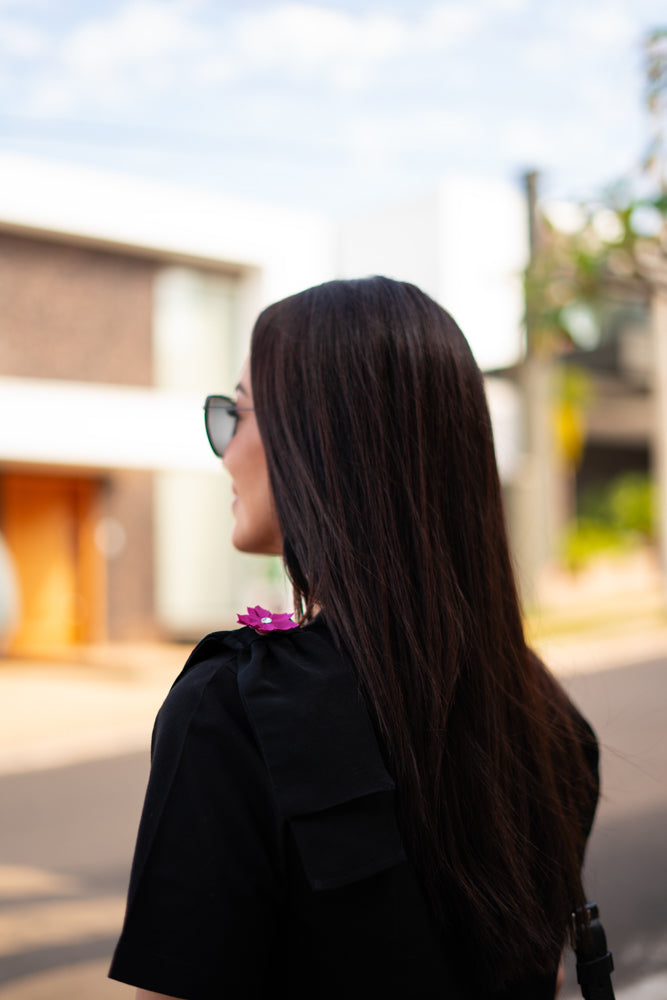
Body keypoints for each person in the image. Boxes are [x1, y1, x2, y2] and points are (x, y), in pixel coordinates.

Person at [109, 276, 599, 1000]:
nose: (225, 449)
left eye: (239, 412)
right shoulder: (551, 723)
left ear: (321, 439)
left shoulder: (233, 712)